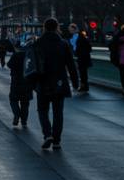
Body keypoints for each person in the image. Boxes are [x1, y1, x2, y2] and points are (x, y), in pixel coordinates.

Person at [30, 18, 79, 149]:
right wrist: (75, 82)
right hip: (59, 81)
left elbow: (32, 64)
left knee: (42, 110)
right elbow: (71, 65)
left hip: (42, 81)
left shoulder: (38, 43)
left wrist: (32, 83)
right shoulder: (63, 44)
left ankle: (47, 134)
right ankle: (57, 140)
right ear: (57, 27)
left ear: (44, 28)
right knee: (58, 112)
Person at [7, 44, 33, 127]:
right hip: (27, 82)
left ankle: (16, 114)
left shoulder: (15, 55)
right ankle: (24, 121)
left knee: (13, 99)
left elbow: (9, 65)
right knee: (25, 103)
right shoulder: (29, 56)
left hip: (16, 81)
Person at [68, 23, 92, 93]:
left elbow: (87, 47)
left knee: (83, 73)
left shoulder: (80, 37)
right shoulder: (78, 37)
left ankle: (84, 86)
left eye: (71, 29)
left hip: (82, 57)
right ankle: (84, 86)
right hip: (81, 57)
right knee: (82, 73)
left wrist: (79, 52)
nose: (70, 31)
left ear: (74, 29)